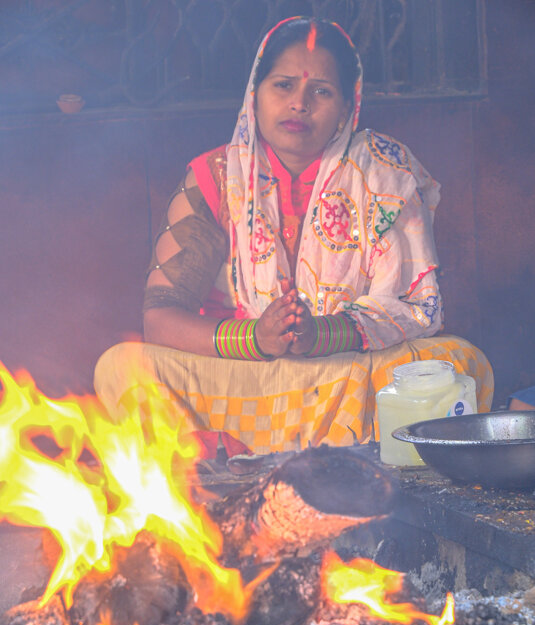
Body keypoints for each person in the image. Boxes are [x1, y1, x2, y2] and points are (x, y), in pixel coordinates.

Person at [94, 16, 494, 456]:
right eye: (283, 85)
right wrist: (257, 339)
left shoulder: (384, 173)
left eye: (321, 91)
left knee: (460, 363)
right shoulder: (216, 179)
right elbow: (160, 319)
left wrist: (318, 336)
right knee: (123, 366)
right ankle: (226, 468)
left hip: (347, 375)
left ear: (347, 106)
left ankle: (342, 468)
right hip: (241, 383)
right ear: (255, 94)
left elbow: (411, 309)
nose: (299, 103)